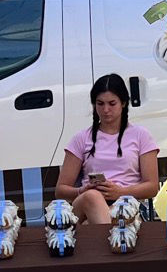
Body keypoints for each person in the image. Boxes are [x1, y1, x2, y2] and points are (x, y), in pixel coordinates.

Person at [56, 74, 161, 223]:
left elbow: (152, 187)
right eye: (100, 104)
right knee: (92, 196)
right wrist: (81, 190)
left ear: (123, 103)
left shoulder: (141, 136)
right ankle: (114, 236)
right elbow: (61, 190)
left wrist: (120, 192)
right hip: (86, 203)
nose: (105, 110)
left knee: (115, 213)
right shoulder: (81, 138)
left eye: (112, 104)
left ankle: (103, 232)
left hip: (126, 202)